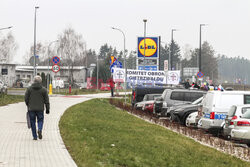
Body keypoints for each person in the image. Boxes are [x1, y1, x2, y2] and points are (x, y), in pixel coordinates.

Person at [25, 75, 50, 140]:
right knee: (40, 120)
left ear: (34, 81)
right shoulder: (44, 90)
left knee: (32, 121)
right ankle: (39, 129)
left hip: (31, 109)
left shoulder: (29, 89)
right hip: (40, 109)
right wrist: (47, 108)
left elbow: (26, 98)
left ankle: (35, 136)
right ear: (40, 81)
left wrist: (28, 104)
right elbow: (46, 100)